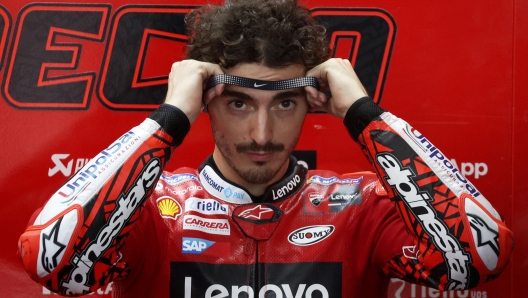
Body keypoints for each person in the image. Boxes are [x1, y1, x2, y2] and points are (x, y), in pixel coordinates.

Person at [18, 0, 513, 297]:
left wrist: (366, 115)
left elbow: (479, 261)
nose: (261, 134)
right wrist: (167, 120)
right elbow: (53, 263)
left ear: (313, 102)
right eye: (238, 103)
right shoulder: (151, 209)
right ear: (205, 102)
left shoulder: (361, 208)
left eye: (284, 104)